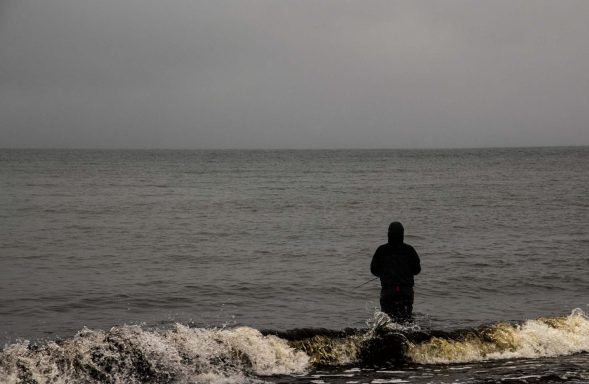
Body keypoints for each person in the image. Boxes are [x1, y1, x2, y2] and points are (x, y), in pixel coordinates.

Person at [370, 222, 421, 322]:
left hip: (388, 291)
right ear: (402, 234)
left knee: (387, 321)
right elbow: (417, 270)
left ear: (389, 234)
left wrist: (383, 273)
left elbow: (374, 270)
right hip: (406, 292)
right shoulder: (409, 250)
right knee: (407, 320)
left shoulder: (381, 250)